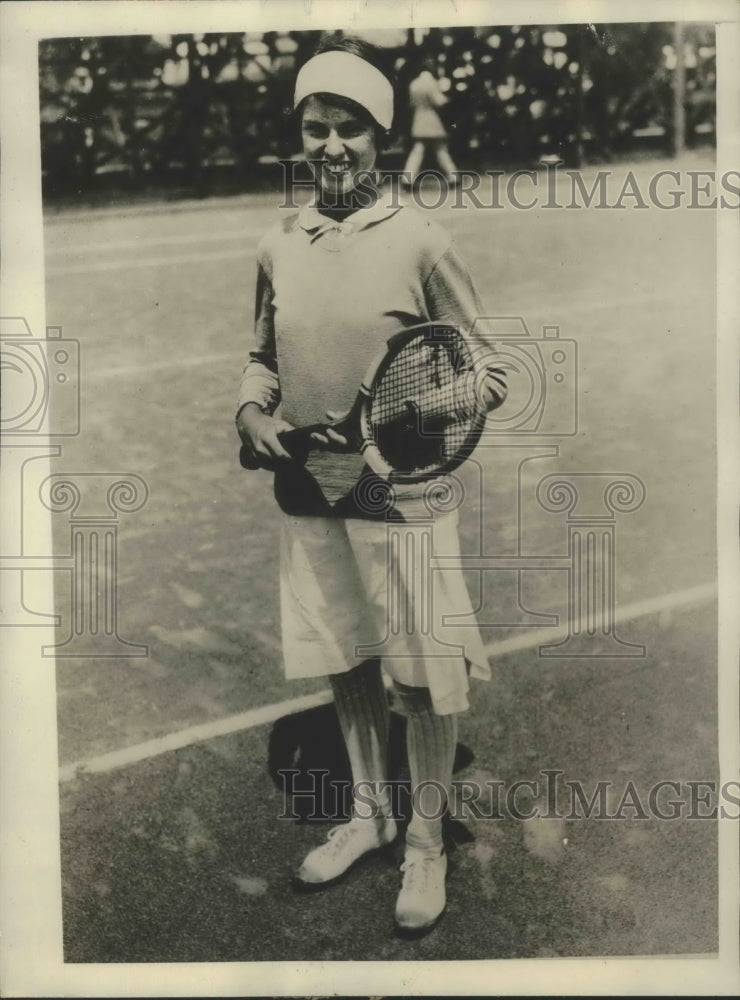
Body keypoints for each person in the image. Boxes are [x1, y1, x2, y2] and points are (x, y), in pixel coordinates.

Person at [235, 33, 507, 937]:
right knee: (347, 656)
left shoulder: (423, 239)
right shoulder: (277, 241)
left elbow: (489, 373)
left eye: (348, 129)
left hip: (406, 498)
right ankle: (370, 814)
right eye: (315, 129)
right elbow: (261, 359)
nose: (331, 147)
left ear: (380, 138)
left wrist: (402, 419)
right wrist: (251, 413)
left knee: (424, 679)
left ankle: (426, 843)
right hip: (312, 491)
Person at [403, 57, 460, 186]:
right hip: (432, 118)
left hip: (418, 118)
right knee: (441, 149)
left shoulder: (414, 83)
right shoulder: (431, 82)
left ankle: (407, 179)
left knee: (417, 150)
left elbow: (411, 104)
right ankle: (453, 177)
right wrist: (448, 96)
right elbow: (439, 101)